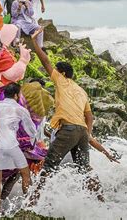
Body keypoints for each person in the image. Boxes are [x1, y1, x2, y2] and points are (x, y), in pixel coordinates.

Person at [29, 28, 95, 202]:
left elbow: (45, 61)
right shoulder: (81, 90)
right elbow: (89, 117)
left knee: (48, 167)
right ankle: (99, 201)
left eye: (57, 71)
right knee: (84, 168)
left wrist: (34, 42)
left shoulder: (61, 80)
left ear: (63, 73)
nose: (54, 73)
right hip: (81, 131)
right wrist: (87, 134)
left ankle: (32, 204)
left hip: (69, 129)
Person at [0, 83, 37, 211]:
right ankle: (29, 206)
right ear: (16, 95)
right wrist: (33, 138)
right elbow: (31, 130)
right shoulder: (20, 109)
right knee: (25, 174)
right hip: (11, 144)